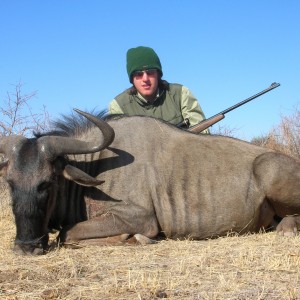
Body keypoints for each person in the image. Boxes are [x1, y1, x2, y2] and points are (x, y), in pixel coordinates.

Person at [109, 46, 209, 133]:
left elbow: (203, 134)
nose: (145, 79)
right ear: (132, 79)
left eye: (150, 72)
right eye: (138, 74)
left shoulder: (181, 93)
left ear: (158, 74)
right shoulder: (118, 106)